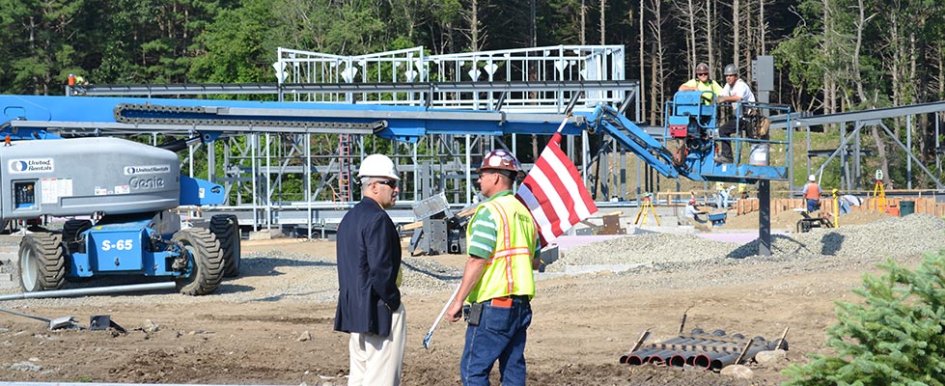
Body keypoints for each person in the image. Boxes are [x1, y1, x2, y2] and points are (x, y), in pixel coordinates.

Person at [446, 149, 541, 386]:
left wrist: (458, 300)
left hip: (493, 306)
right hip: (520, 305)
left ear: (496, 177)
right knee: (513, 371)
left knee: (473, 372)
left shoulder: (489, 212)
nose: (479, 179)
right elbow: (536, 260)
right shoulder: (525, 214)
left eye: (483, 174)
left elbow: (478, 259)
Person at [334, 154, 405, 386]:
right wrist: (393, 301)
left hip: (355, 310)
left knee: (359, 377)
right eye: (391, 183)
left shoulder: (349, 219)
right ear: (374, 186)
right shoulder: (378, 219)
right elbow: (380, 270)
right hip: (379, 311)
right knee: (381, 378)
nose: (396, 189)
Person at [715, 64, 756, 163]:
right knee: (722, 130)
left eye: (731, 75)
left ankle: (727, 157)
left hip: (748, 118)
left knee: (723, 130)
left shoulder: (741, 85)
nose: (728, 78)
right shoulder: (728, 86)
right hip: (739, 117)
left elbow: (738, 97)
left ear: (736, 76)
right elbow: (722, 95)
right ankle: (726, 155)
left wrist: (724, 99)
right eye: (726, 76)